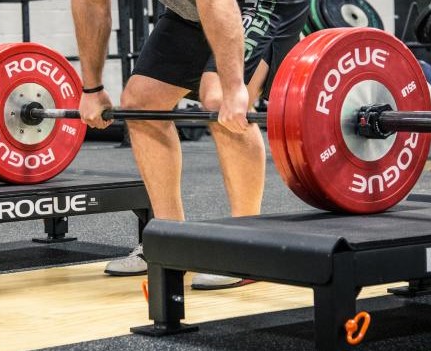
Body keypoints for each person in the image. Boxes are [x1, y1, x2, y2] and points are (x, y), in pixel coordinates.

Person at [70, 0, 308, 289]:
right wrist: (92, 88)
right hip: (191, 10)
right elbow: (91, 5)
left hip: (260, 3)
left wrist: (234, 90)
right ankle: (170, 241)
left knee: (218, 98)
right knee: (141, 103)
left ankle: (248, 246)